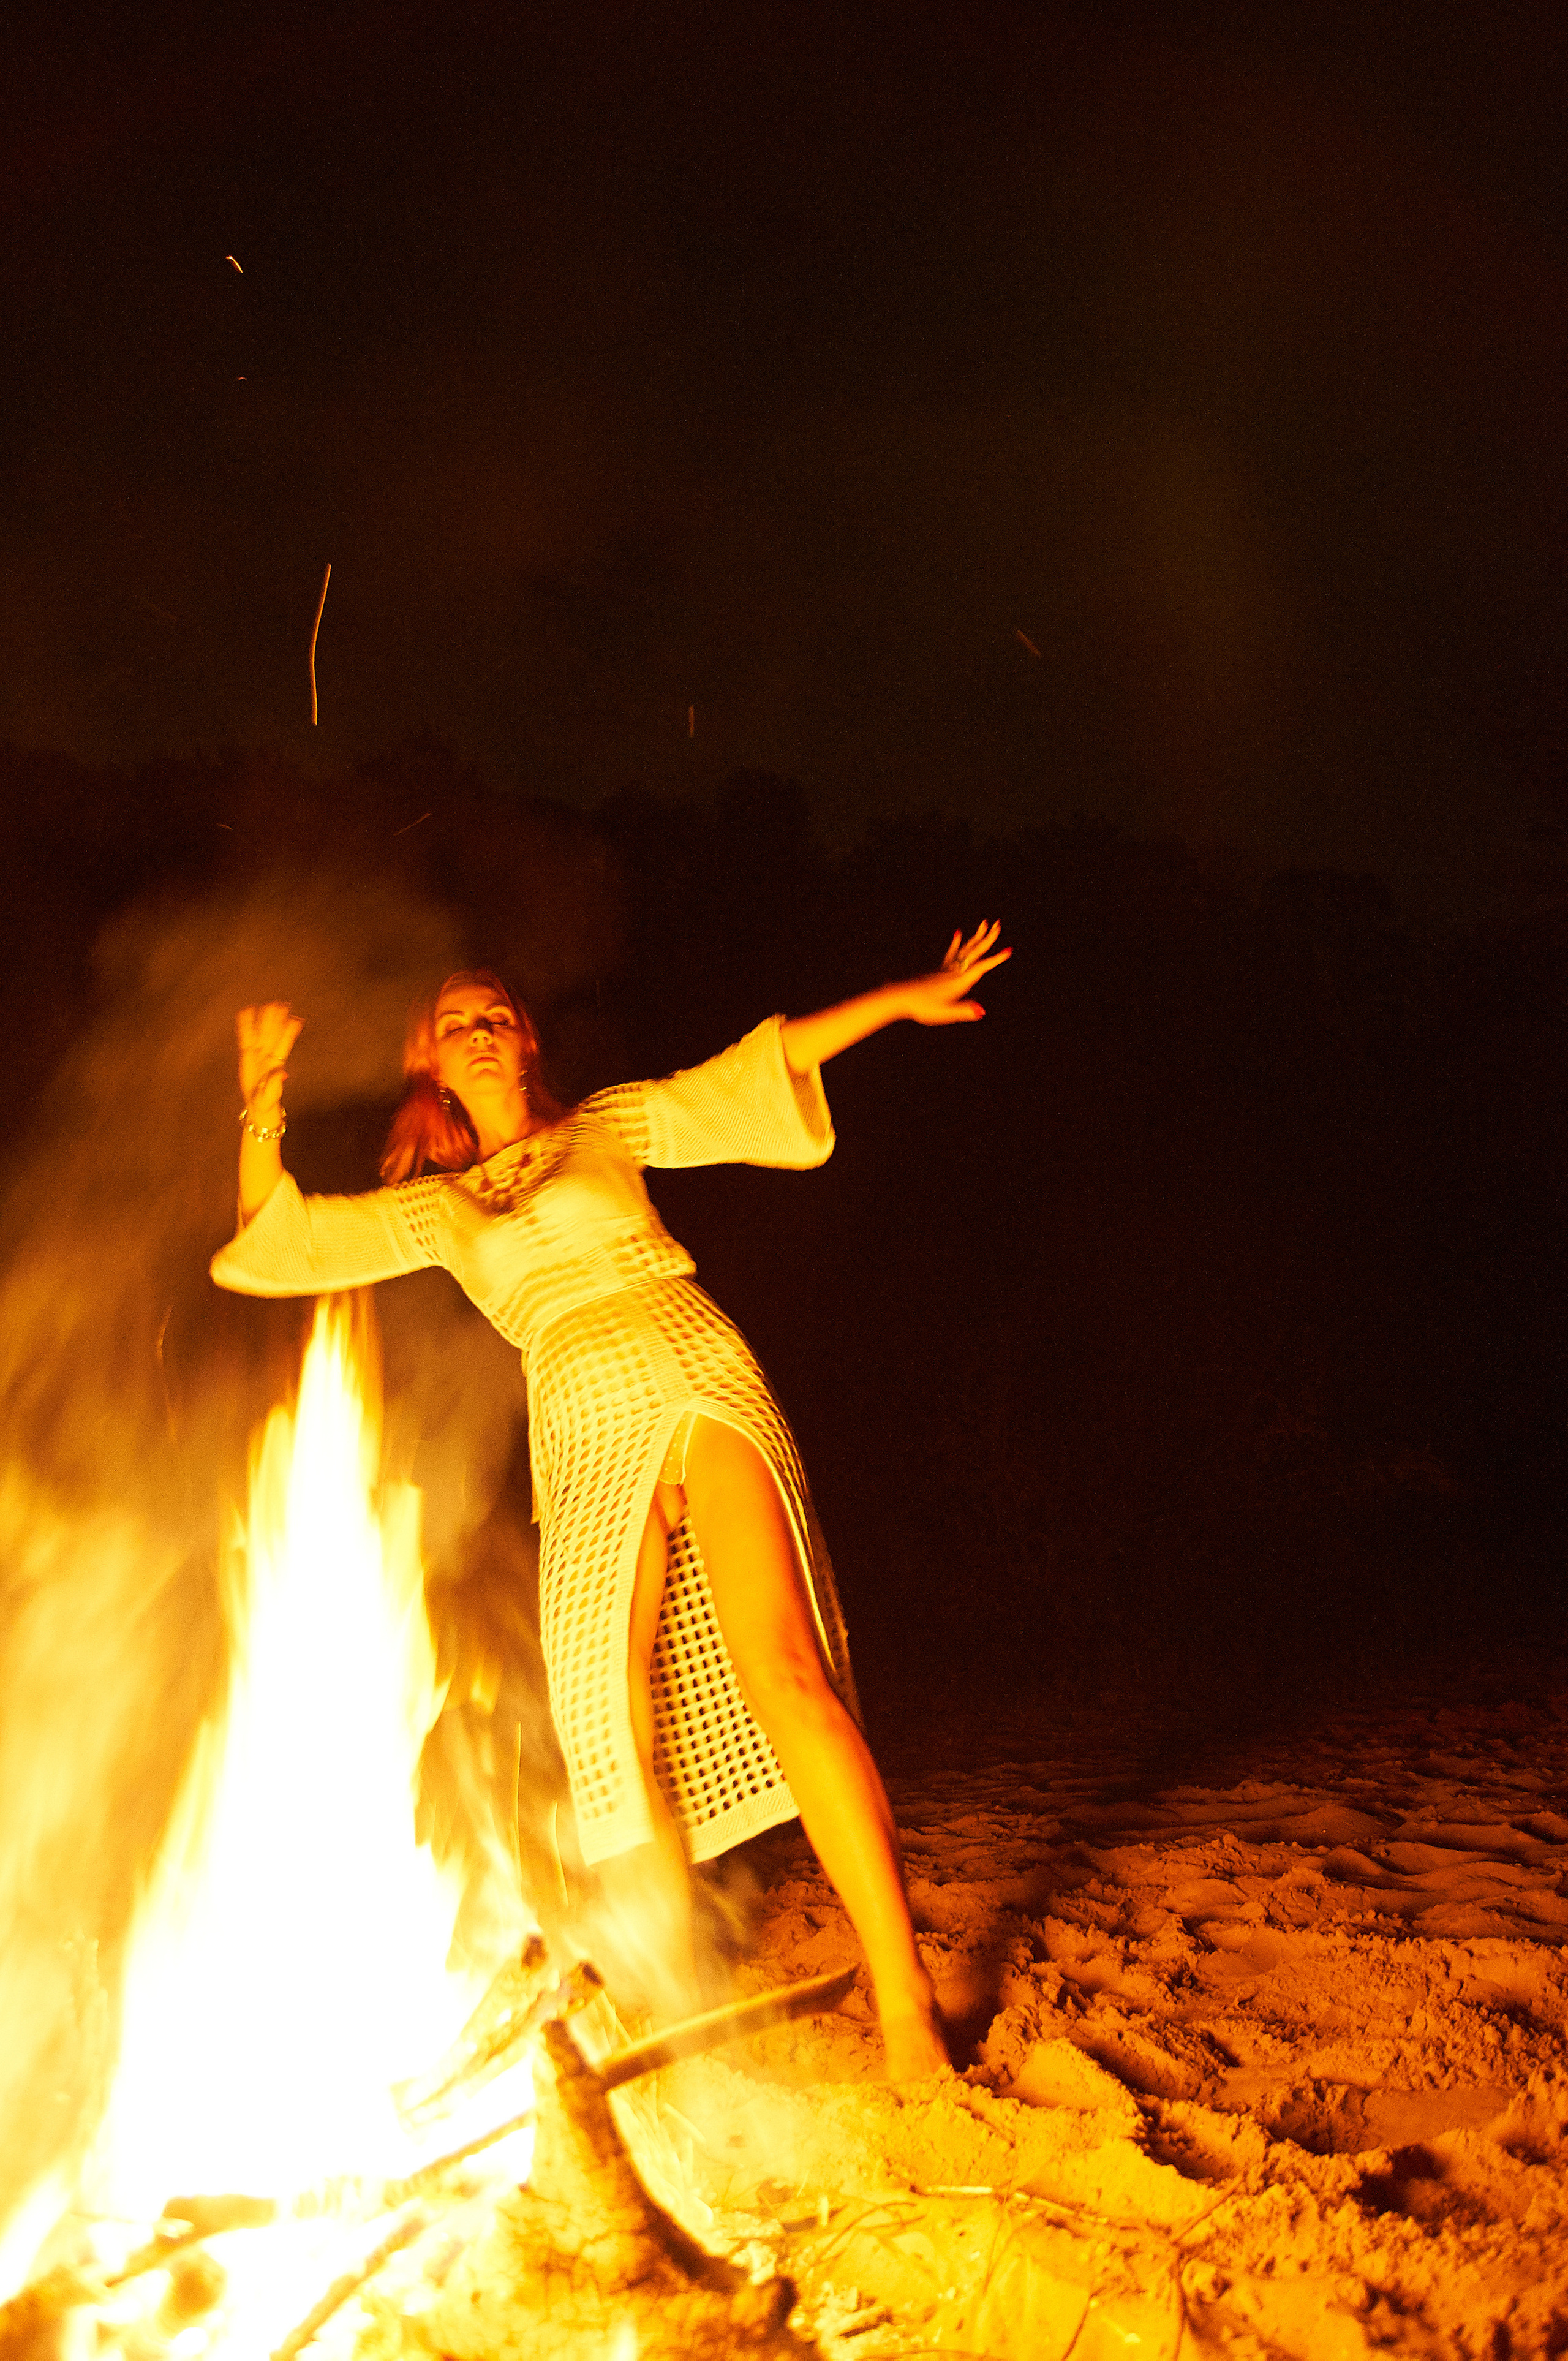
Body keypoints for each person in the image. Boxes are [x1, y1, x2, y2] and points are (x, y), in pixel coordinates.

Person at [212, 923, 1009, 2080]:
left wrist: (899, 995)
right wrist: (261, 1097)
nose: (477, 1032)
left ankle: (903, 2000)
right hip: (578, 1423)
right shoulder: (441, 1208)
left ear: (525, 1037)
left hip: (690, 1362)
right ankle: (668, 2007)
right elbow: (278, 1240)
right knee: (603, 1728)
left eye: (494, 1014)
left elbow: (760, 1066)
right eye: (454, 1024)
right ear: (430, 1060)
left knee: (785, 1674)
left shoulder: (610, 1122)